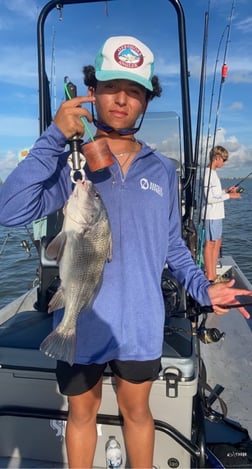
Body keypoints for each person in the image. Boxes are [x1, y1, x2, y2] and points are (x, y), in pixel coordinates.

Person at [0, 36, 251, 469]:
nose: (121, 99)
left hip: (140, 323)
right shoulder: (69, 167)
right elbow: (10, 209)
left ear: (146, 100)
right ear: (91, 92)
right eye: (111, 86)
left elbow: (172, 242)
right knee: (82, 413)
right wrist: (54, 137)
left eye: (134, 90)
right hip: (80, 323)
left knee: (138, 412)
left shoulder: (163, 168)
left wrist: (203, 287)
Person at [202, 145, 241, 283]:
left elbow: (216, 194)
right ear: (217, 158)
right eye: (223, 160)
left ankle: (212, 273)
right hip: (211, 215)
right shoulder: (208, 174)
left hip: (217, 215)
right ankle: (210, 275)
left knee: (217, 242)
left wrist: (226, 191)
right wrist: (230, 196)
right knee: (210, 243)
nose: (224, 163)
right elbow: (210, 198)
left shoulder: (213, 174)